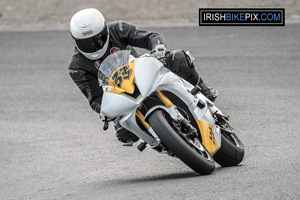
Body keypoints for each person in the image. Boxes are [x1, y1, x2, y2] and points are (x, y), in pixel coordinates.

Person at [68, 8, 218, 144]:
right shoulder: (77, 67)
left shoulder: (118, 29)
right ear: (75, 41)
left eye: (98, 38)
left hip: (142, 72)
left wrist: (158, 48)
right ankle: (163, 141)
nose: (94, 45)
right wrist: (106, 112)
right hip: (121, 96)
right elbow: (95, 98)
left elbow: (151, 37)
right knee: (124, 133)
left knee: (177, 58)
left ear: (105, 30)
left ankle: (203, 88)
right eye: (86, 43)